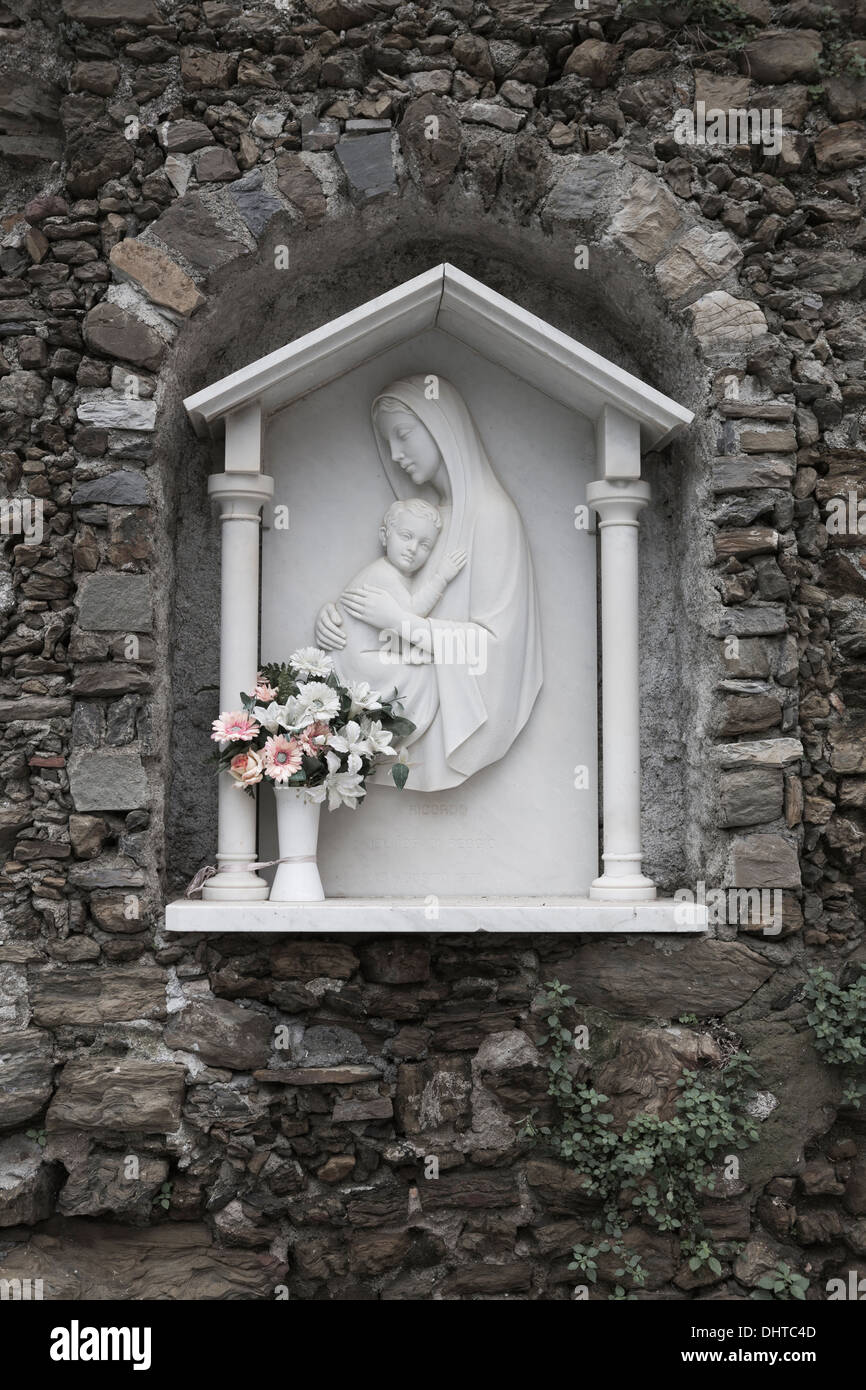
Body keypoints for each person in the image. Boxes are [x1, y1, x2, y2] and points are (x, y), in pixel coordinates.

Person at [315, 375, 543, 792]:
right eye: (388, 444)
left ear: (443, 428)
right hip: (393, 670)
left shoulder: (491, 517)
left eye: (403, 435)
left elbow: (494, 645)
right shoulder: (425, 519)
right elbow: (382, 587)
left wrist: (398, 622)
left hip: (444, 701)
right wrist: (342, 623)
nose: (396, 454)